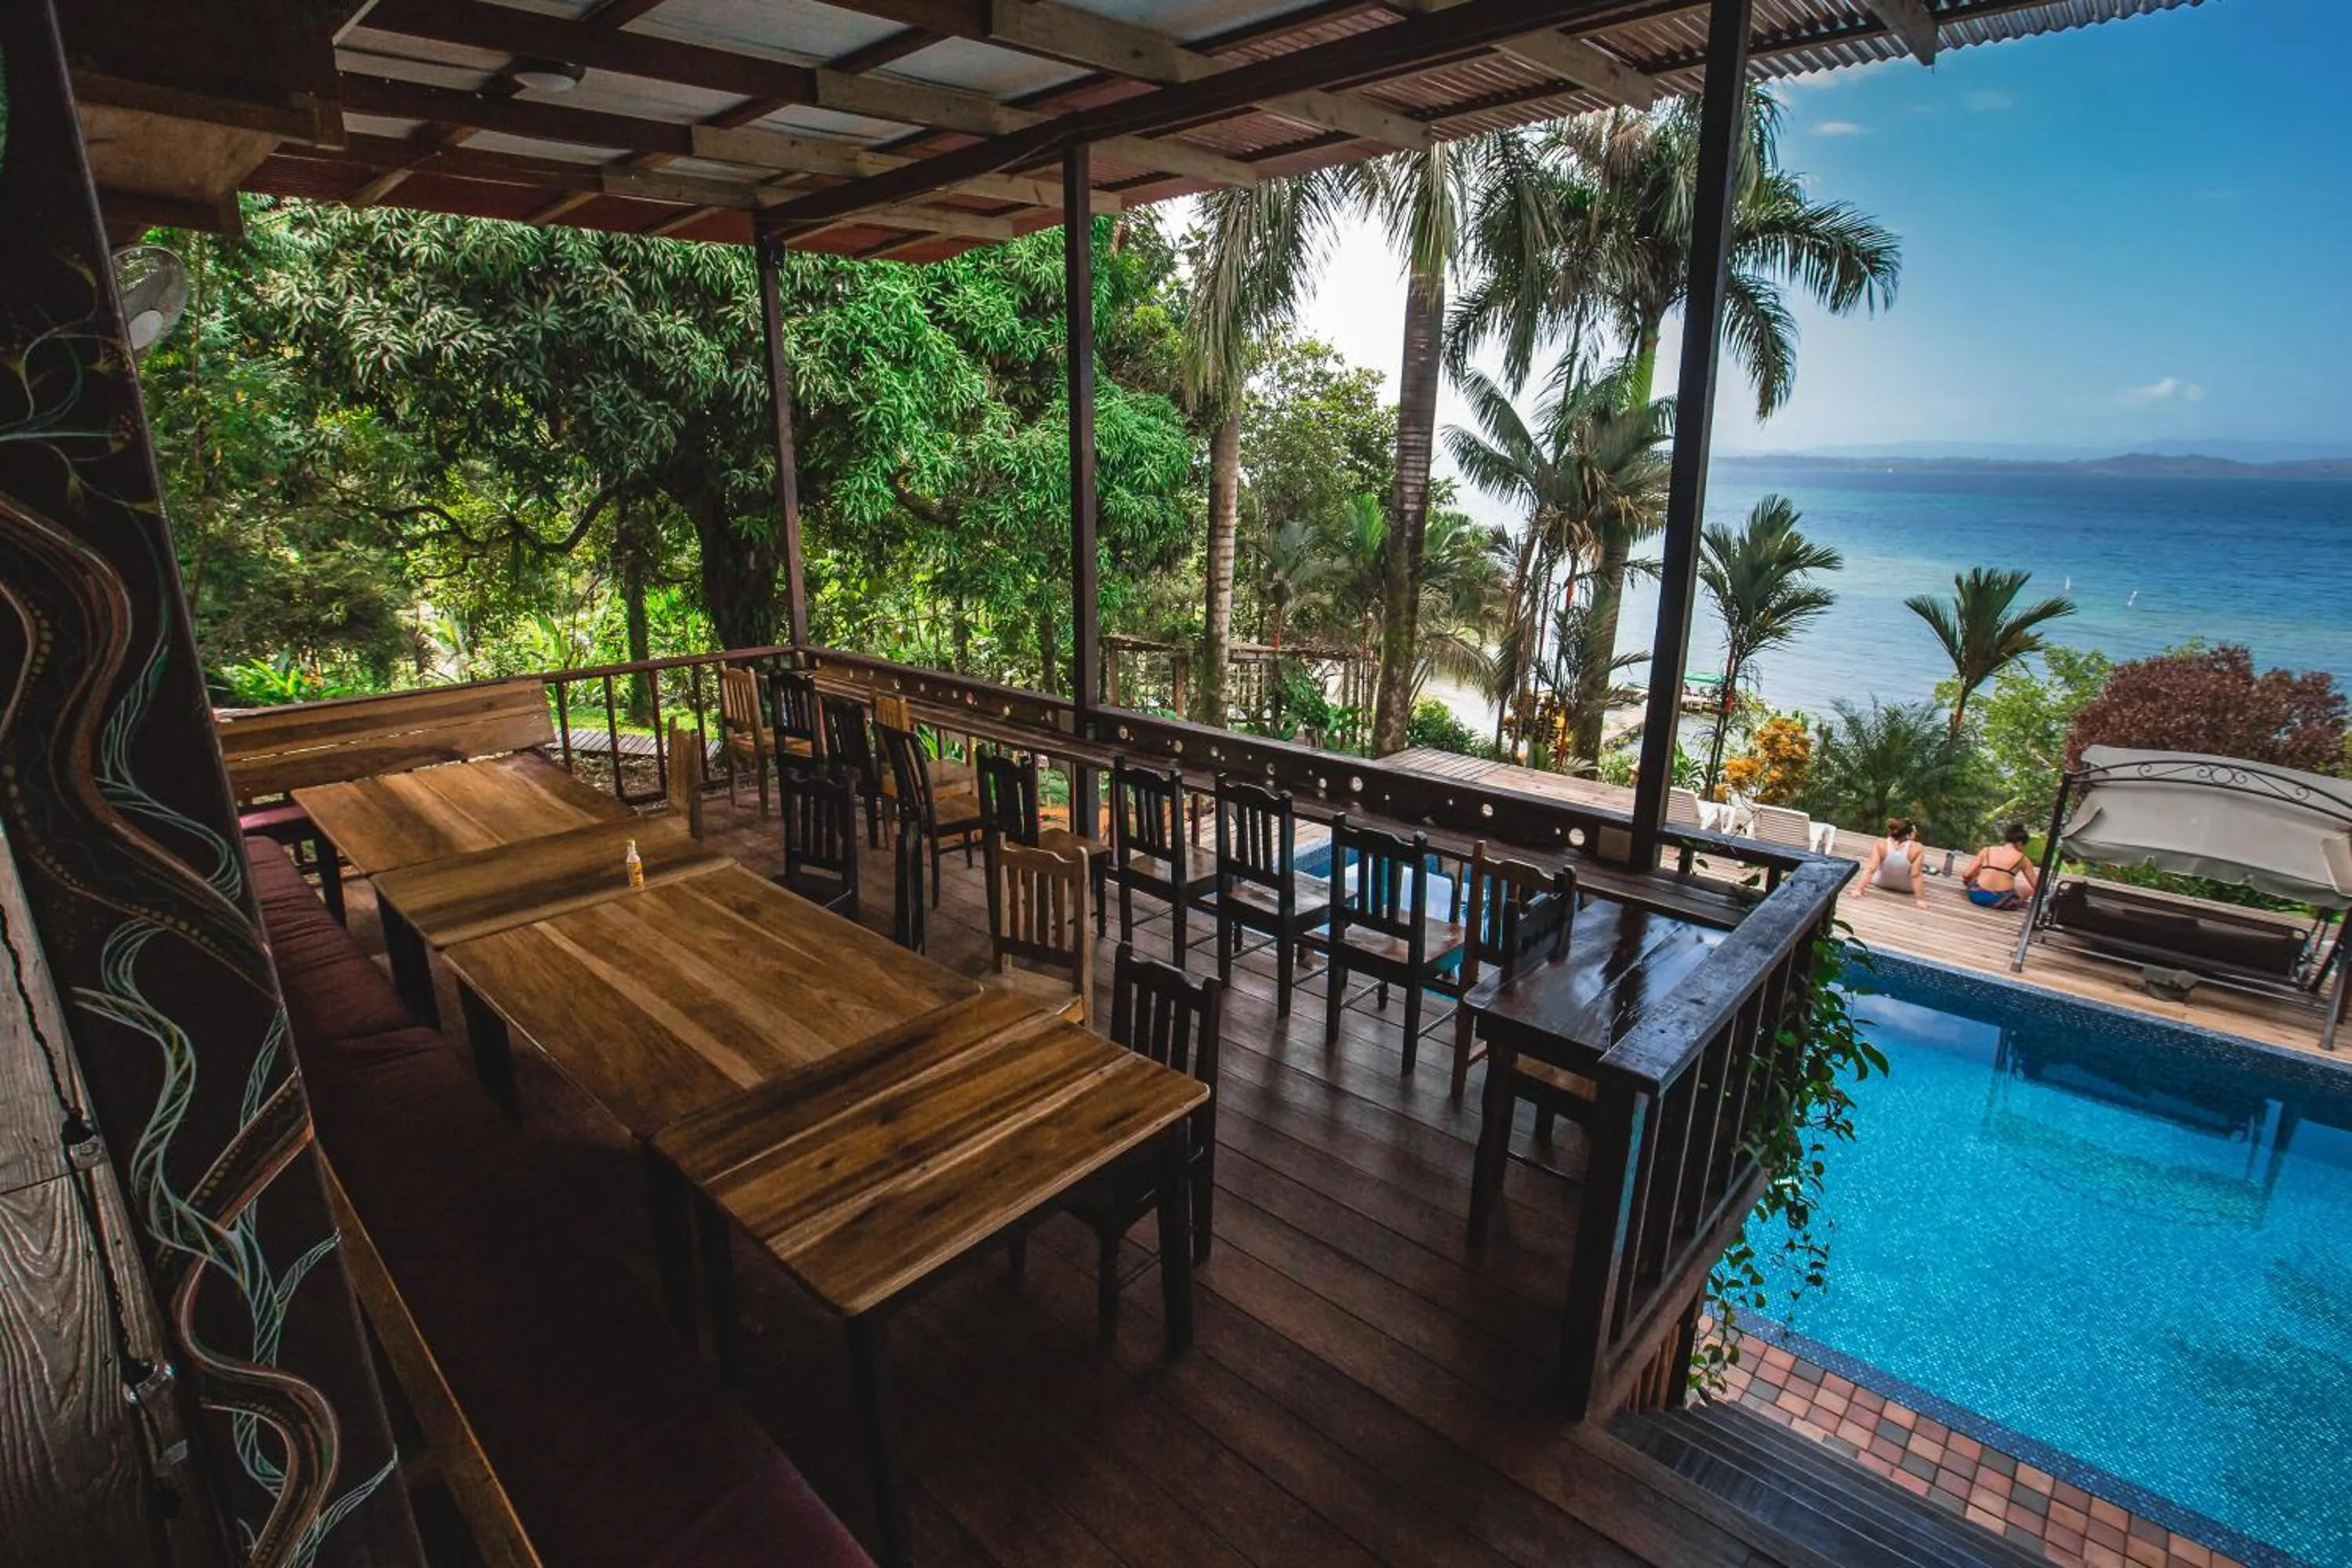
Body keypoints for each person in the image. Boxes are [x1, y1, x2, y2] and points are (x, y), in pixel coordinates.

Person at [1961, 823, 2038, 910]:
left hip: (1977, 896)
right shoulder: (2023, 859)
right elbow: (2037, 886)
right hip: (2001, 901)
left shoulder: (1987, 850)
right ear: (2020, 843)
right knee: (2027, 889)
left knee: (1976, 874)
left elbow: (1966, 874)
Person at [1857, 818, 1926, 909]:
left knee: (1871, 864)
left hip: (1881, 882)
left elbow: (1871, 869)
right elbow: (1915, 874)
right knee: (1920, 872)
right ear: (1909, 835)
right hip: (1907, 888)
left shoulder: (1880, 844)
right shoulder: (1917, 848)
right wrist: (1920, 900)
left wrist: (1858, 890)